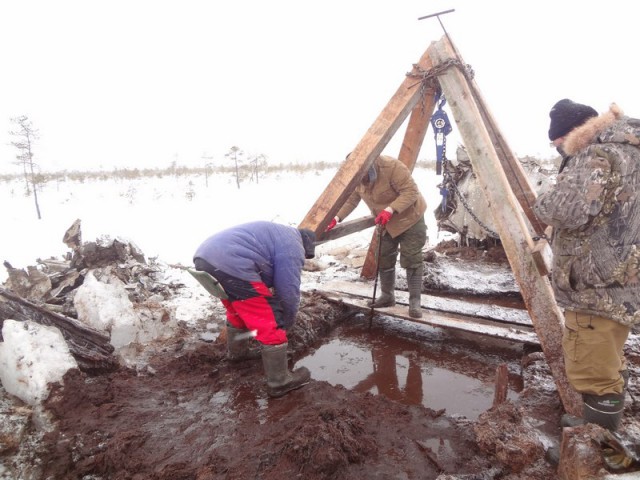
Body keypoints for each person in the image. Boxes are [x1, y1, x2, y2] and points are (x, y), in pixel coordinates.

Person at [534, 99, 640, 433]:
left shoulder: (595, 155)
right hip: (625, 277)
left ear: (573, 132)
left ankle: (598, 449)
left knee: (591, 368)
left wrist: (545, 196)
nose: (558, 150)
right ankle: (603, 423)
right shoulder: (630, 150)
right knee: (608, 354)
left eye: (557, 144)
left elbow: (561, 210)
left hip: (594, 283)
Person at [193, 221, 316, 398]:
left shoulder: (280, 234)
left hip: (206, 257)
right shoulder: (293, 246)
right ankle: (280, 381)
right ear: (305, 245)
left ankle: (238, 353)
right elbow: (287, 291)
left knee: (237, 308)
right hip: (231, 262)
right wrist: (286, 323)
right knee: (269, 317)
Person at [326, 154, 428, 318]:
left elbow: (411, 191)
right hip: (385, 222)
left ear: (369, 168)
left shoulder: (392, 167)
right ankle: (387, 297)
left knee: (411, 258)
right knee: (383, 256)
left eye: (363, 176)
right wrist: (336, 217)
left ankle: (414, 302)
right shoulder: (356, 176)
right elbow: (351, 200)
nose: (361, 180)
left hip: (410, 218)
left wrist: (390, 210)